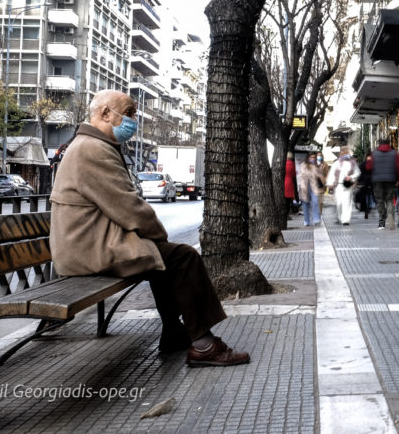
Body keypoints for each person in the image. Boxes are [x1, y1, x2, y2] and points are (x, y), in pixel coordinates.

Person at [49, 90, 249, 367]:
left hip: (87, 245)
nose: (134, 120)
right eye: (128, 113)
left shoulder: (89, 145)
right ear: (105, 113)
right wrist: (159, 236)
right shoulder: (92, 149)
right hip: (89, 251)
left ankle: (173, 333)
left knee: (160, 258)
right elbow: (129, 207)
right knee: (183, 257)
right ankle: (204, 345)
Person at [365, 137, 399, 229]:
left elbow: (368, 167)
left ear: (379, 143)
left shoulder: (374, 154)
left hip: (377, 181)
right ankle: (390, 219)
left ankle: (381, 222)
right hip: (390, 180)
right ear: (388, 143)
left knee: (380, 200)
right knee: (389, 200)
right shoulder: (394, 153)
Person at [328, 148, 361, 226]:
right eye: (343, 152)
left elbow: (358, 173)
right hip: (338, 186)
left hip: (347, 185)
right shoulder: (336, 163)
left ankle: (346, 220)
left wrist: (351, 177)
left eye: (346, 152)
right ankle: (340, 218)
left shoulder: (353, 163)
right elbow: (332, 174)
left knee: (347, 203)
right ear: (341, 154)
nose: (345, 154)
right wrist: (330, 183)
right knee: (339, 203)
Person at [297, 154, 323, 226]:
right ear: (308, 158)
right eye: (311, 157)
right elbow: (300, 176)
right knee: (305, 204)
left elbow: (319, 175)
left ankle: (316, 219)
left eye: (314, 157)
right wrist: (301, 185)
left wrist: (320, 167)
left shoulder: (315, 166)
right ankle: (306, 220)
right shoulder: (303, 165)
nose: (313, 158)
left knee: (315, 201)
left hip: (313, 186)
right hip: (304, 186)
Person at [357, 153, 375, 219]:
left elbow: (359, 173)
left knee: (364, 196)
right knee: (371, 195)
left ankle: (365, 209)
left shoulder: (362, 164)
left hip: (364, 182)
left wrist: (359, 181)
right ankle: (370, 207)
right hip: (371, 182)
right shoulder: (373, 164)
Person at [284, 152, 298, 217]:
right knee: (288, 200)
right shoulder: (292, 164)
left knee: (283, 199)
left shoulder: (283, 163)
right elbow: (294, 174)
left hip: (283, 182)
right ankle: (287, 214)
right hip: (289, 182)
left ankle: (284, 214)